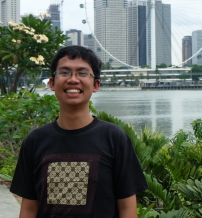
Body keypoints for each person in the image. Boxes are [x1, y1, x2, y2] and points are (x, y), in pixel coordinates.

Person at [10, 45, 148, 218]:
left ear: (96, 84)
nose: (73, 79)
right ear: (52, 83)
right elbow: (29, 208)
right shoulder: (35, 140)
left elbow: (127, 208)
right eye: (65, 72)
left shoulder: (114, 137)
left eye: (82, 73)